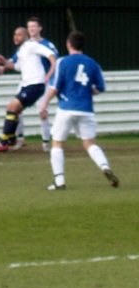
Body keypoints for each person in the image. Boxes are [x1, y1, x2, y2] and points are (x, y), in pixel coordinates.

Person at [39, 31, 119, 190]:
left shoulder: (63, 62)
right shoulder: (93, 63)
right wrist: (89, 90)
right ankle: (104, 166)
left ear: (69, 44)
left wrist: (44, 104)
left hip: (67, 108)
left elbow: (55, 87)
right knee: (89, 143)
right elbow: (100, 88)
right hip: (86, 109)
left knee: (57, 143)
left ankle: (59, 181)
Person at [0, 27, 56, 152]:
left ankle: (4, 142)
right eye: (14, 34)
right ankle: (11, 138)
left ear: (26, 36)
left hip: (36, 84)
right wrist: (3, 62)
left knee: (13, 107)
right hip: (28, 85)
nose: (15, 37)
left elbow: (50, 54)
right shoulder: (22, 50)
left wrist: (50, 72)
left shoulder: (32, 45)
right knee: (12, 109)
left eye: (19, 35)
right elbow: (17, 66)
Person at [13, 17, 60, 151]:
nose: (32, 29)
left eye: (34, 26)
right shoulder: (25, 46)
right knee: (16, 110)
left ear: (40, 28)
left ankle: (46, 142)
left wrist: (49, 76)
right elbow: (14, 62)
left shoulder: (48, 45)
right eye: (29, 27)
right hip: (25, 82)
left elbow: (55, 61)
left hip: (41, 83)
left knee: (42, 112)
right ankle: (20, 139)